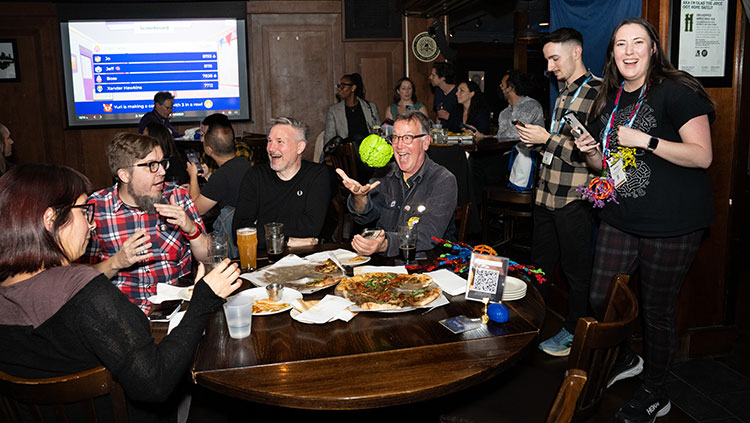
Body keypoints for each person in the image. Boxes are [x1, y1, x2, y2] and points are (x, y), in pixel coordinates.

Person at [0, 163, 241, 422]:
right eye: (84, 212)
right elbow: (155, 382)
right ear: (51, 220)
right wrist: (203, 300)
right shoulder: (83, 291)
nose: (92, 226)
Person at [574, 18, 714, 422]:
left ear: (653, 49)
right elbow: (606, 164)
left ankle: (656, 391)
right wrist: (588, 151)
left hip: (673, 223)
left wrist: (647, 140)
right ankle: (628, 358)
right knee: (601, 295)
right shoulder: (611, 100)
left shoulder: (677, 90)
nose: (629, 51)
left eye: (639, 42)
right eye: (621, 44)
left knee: (656, 309)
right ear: (612, 53)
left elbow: (702, 155)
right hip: (621, 215)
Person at [515, 27, 602, 357]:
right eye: (548, 59)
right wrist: (536, 142)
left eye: (554, 58)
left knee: (577, 272)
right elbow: (560, 147)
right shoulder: (563, 92)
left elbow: (592, 151)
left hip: (574, 198)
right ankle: (530, 325)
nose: (549, 67)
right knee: (539, 266)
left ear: (576, 52)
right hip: (546, 194)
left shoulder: (597, 93)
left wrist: (546, 139)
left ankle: (573, 332)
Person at [84, 133, 209, 312]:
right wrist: (117, 262)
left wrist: (191, 229)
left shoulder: (177, 197)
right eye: (152, 165)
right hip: (120, 314)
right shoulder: (96, 208)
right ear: (124, 175)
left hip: (176, 307)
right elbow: (78, 278)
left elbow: (208, 257)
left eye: (161, 163)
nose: (163, 172)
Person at [337, 110, 457, 257]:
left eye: (407, 138)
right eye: (395, 138)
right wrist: (359, 197)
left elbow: (428, 236)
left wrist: (386, 244)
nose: (399, 146)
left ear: (426, 142)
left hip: (426, 266)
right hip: (385, 267)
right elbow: (364, 216)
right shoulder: (385, 174)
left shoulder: (442, 180)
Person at [233, 117, 331, 249]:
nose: (271, 148)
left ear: (300, 147)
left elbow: (311, 228)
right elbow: (239, 233)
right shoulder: (255, 176)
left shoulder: (317, 175)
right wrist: (287, 242)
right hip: (265, 260)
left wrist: (261, 225)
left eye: (280, 142)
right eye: (269, 141)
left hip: (307, 258)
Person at [187, 124, 251, 257]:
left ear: (209, 150)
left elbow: (197, 209)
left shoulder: (221, 176)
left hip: (232, 240)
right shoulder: (243, 162)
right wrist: (207, 177)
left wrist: (193, 176)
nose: (201, 140)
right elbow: (228, 186)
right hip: (246, 231)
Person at [496, 70, 545, 138]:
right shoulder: (504, 113)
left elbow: (516, 134)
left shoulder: (530, 106)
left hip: (528, 148)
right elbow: (500, 137)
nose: (500, 87)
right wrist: (483, 136)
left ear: (510, 88)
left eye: (502, 84)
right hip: (508, 148)